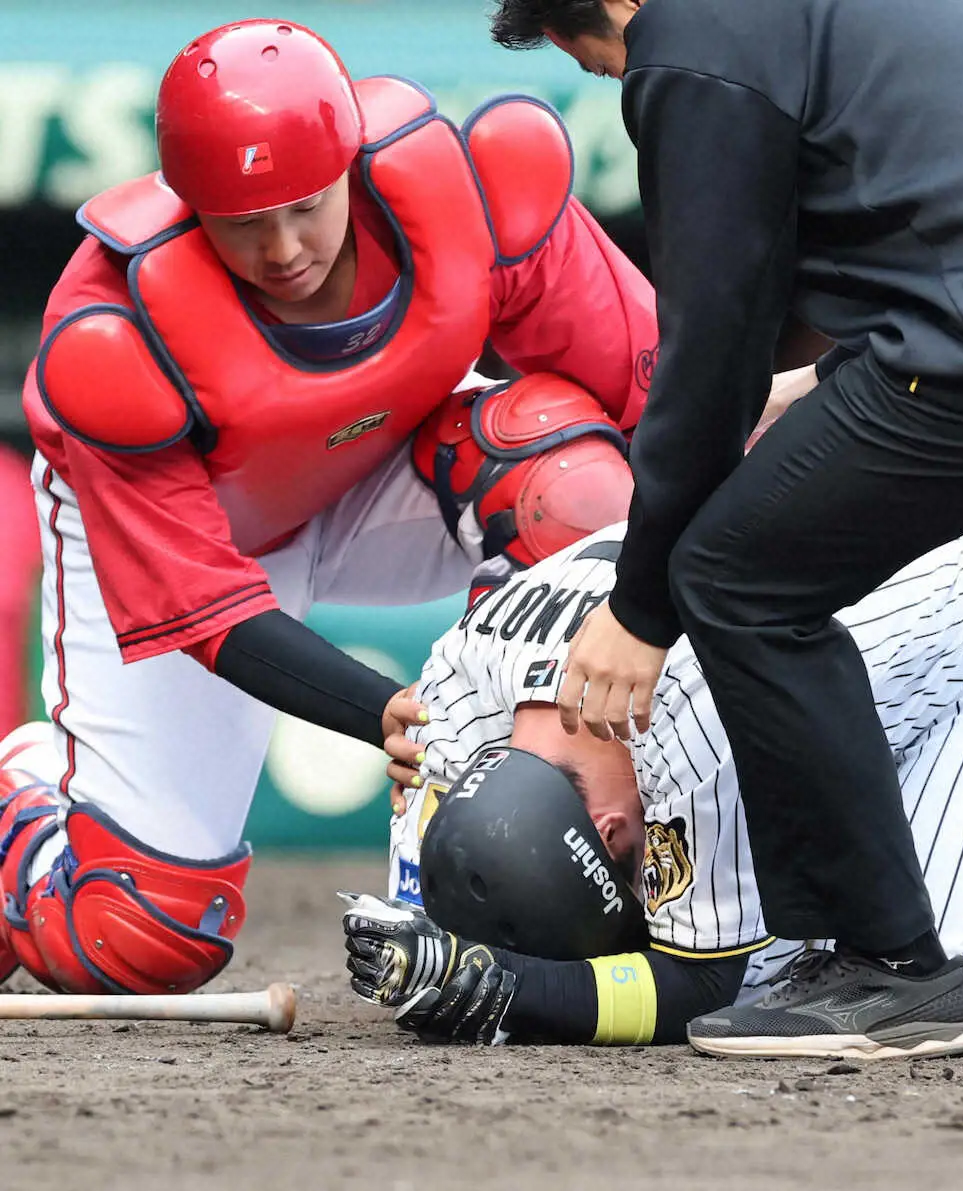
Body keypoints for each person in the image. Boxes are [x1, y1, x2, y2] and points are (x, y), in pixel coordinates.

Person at [483, 0, 963, 1057]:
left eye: (600, 60)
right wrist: (824, 378)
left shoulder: (693, 37)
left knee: (733, 575)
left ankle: (890, 970)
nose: (624, 73)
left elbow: (714, 343)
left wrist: (641, 607)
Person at [0, 17, 655, 997]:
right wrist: (375, 710)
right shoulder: (114, 336)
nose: (280, 249)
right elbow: (213, 613)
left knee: (575, 484)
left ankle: (557, 834)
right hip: (210, 546)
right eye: (239, 219)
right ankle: (28, 786)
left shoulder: (475, 195)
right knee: (140, 937)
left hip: (378, 478)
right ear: (187, 204)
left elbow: (654, 405)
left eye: (305, 205)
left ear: (348, 162)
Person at [341, 516, 963, 1052]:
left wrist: (508, 989)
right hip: (861, 648)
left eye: (629, 869)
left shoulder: (678, 719)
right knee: (800, 952)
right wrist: (423, 947)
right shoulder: (454, 686)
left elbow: (698, 985)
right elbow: (445, 877)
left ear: (608, 833)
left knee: (883, 973)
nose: (641, 876)